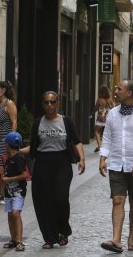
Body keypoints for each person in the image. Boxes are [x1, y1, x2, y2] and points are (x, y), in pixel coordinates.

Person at [23, 91, 86, 249]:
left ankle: (63, 230)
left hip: (62, 162)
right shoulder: (38, 123)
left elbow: (77, 141)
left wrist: (82, 159)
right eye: (46, 102)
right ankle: (49, 238)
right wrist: (15, 151)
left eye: (52, 102)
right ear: (42, 105)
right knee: (43, 201)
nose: (49, 105)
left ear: (58, 103)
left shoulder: (66, 121)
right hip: (42, 163)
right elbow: (33, 147)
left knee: (60, 198)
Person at [99, 79, 133, 253]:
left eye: (119, 89)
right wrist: (102, 157)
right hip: (116, 163)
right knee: (117, 200)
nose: (116, 91)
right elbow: (107, 136)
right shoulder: (113, 113)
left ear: (129, 93)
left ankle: (131, 238)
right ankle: (116, 239)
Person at [0, 131, 27, 252]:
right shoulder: (8, 158)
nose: (5, 145)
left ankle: (20, 241)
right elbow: (7, 174)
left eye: (5, 143)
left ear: (8, 144)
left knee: (16, 213)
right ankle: (13, 239)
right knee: (10, 214)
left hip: (18, 192)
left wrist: (8, 179)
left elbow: (24, 175)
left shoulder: (18, 159)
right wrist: (2, 178)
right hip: (8, 192)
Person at [93, 85, 114, 153]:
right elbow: (113, 108)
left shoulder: (99, 99)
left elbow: (96, 108)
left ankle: (99, 145)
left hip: (100, 118)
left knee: (96, 131)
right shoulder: (110, 99)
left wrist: (92, 112)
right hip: (108, 118)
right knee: (107, 133)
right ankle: (107, 146)